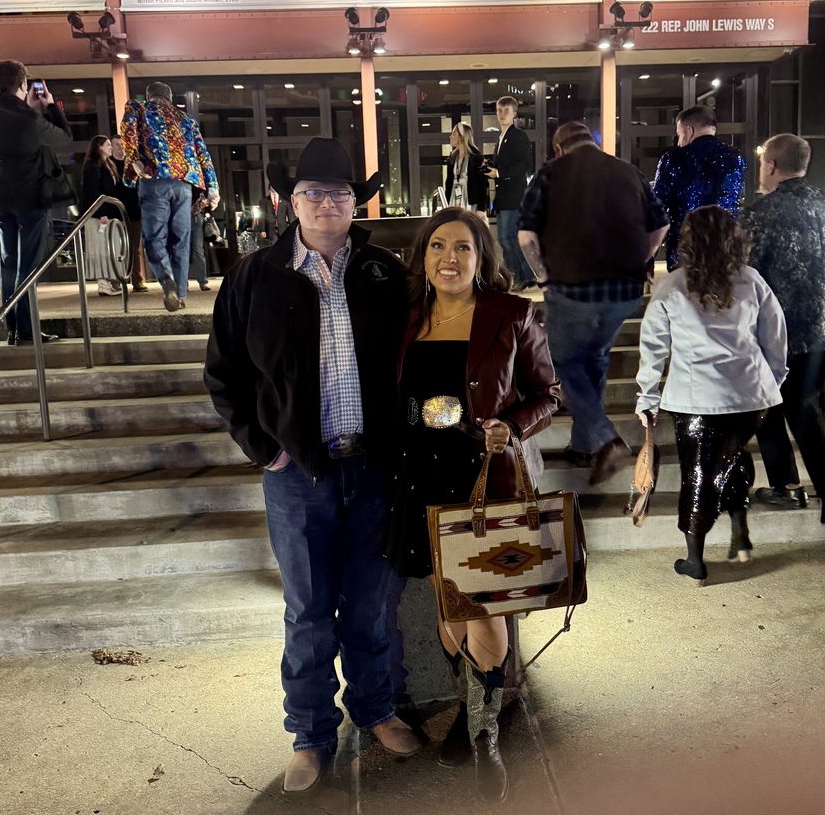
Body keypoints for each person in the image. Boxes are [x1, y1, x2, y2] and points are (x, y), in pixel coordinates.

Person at [204, 138, 421, 794]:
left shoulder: (384, 272)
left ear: (357, 202)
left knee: (368, 608)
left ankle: (376, 710)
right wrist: (263, 448)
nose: (328, 204)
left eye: (341, 193)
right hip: (297, 474)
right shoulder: (253, 275)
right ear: (289, 201)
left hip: (373, 469)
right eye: (314, 193)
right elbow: (223, 375)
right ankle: (310, 734)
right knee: (306, 612)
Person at [387, 207, 559, 803]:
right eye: (438, 247)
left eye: (463, 247)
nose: (449, 258)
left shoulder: (510, 314)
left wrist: (509, 427)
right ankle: (469, 709)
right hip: (419, 482)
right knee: (448, 605)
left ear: (482, 256)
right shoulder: (409, 318)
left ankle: (485, 735)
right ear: (424, 257)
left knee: (481, 607)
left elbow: (547, 393)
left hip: (481, 480)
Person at [636, 207, 788, 585]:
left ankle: (695, 560)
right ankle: (739, 528)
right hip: (751, 397)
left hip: (696, 399)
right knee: (732, 456)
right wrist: (772, 382)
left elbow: (653, 347)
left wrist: (647, 398)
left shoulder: (672, 285)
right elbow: (776, 338)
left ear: (688, 241)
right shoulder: (752, 280)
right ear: (733, 239)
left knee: (699, 472)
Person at [518, 121, 669, 483]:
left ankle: (606, 440)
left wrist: (542, 278)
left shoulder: (550, 174)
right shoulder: (628, 172)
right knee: (594, 359)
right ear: (593, 143)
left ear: (558, 148)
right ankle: (585, 446)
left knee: (564, 363)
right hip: (624, 293)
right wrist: (643, 260)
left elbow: (525, 236)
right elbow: (661, 224)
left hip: (573, 290)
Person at [742, 134, 825, 525]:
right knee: (802, 407)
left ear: (770, 166)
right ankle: (815, 486)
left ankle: (805, 487)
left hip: (781, 330)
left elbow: (747, 272)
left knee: (770, 405)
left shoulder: (761, 213)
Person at [0, 60, 71, 345]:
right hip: (30, 198)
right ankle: (27, 330)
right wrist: (51, 106)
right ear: (23, 84)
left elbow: (13, 124)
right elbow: (64, 138)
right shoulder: (30, 119)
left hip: (0, 197)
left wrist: (27, 105)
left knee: (8, 263)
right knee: (28, 267)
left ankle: (12, 327)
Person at [119, 81, 219, 313]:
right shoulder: (186, 119)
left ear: (149, 96)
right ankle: (181, 296)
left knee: (154, 238)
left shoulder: (138, 108)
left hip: (154, 179)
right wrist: (212, 188)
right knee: (181, 241)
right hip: (183, 184)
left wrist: (134, 159)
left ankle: (167, 280)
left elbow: (127, 130)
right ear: (170, 98)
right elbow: (203, 153)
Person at [653, 106, 746, 270]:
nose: (679, 141)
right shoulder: (735, 158)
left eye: (679, 135)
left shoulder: (673, 159)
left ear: (689, 130)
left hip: (684, 249)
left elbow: (658, 204)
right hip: (723, 247)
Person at [488, 96, 534, 287]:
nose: (502, 114)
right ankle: (517, 276)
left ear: (514, 113)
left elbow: (525, 164)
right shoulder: (501, 138)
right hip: (504, 196)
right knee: (503, 238)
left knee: (508, 237)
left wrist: (499, 173)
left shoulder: (517, 135)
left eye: (506, 110)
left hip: (514, 196)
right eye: (499, 110)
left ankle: (524, 276)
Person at [80, 135, 122, 297]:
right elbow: (92, 192)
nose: (111, 147)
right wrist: (101, 212)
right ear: (99, 147)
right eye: (108, 144)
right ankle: (102, 283)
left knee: (110, 248)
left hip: (109, 214)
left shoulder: (108, 165)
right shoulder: (92, 166)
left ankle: (108, 281)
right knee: (100, 248)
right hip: (98, 216)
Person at [109, 136, 148, 292]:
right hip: (116, 212)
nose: (120, 147)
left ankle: (137, 280)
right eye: (116, 145)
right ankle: (116, 280)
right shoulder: (109, 165)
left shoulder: (132, 165)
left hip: (134, 211)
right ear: (111, 147)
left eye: (122, 145)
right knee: (116, 247)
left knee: (134, 247)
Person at [444, 122, 488, 212]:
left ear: (461, 137)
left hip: (470, 202)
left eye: (453, 134)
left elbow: (482, 184)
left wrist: (481, 209)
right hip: (454, 199)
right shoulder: (452, 158)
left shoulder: (476, 157)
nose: (450, 137)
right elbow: (448, 183)